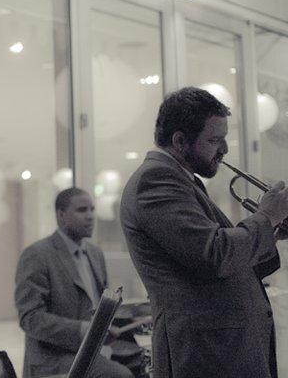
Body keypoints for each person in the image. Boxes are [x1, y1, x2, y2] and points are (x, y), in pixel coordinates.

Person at [120, 86, 288, 378]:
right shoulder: (155, 180)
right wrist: (266, 216)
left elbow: (215, 254)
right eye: (214, 140)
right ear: (180, 141)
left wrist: (270, 230)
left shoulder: (181, 180)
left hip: (217, 351)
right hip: (205, 354)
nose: (224, 149)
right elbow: (214, 254)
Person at [15, 188, 133, 378]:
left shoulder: (95, 253)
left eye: (92, 209)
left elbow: (101, 306)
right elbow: (30, 319)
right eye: (82, 210)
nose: (90, 216)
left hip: (93, 352)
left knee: (146, 362)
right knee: (120, 376)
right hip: (54, 359)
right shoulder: (37, 255)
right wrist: (84, 330)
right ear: (61, 215)